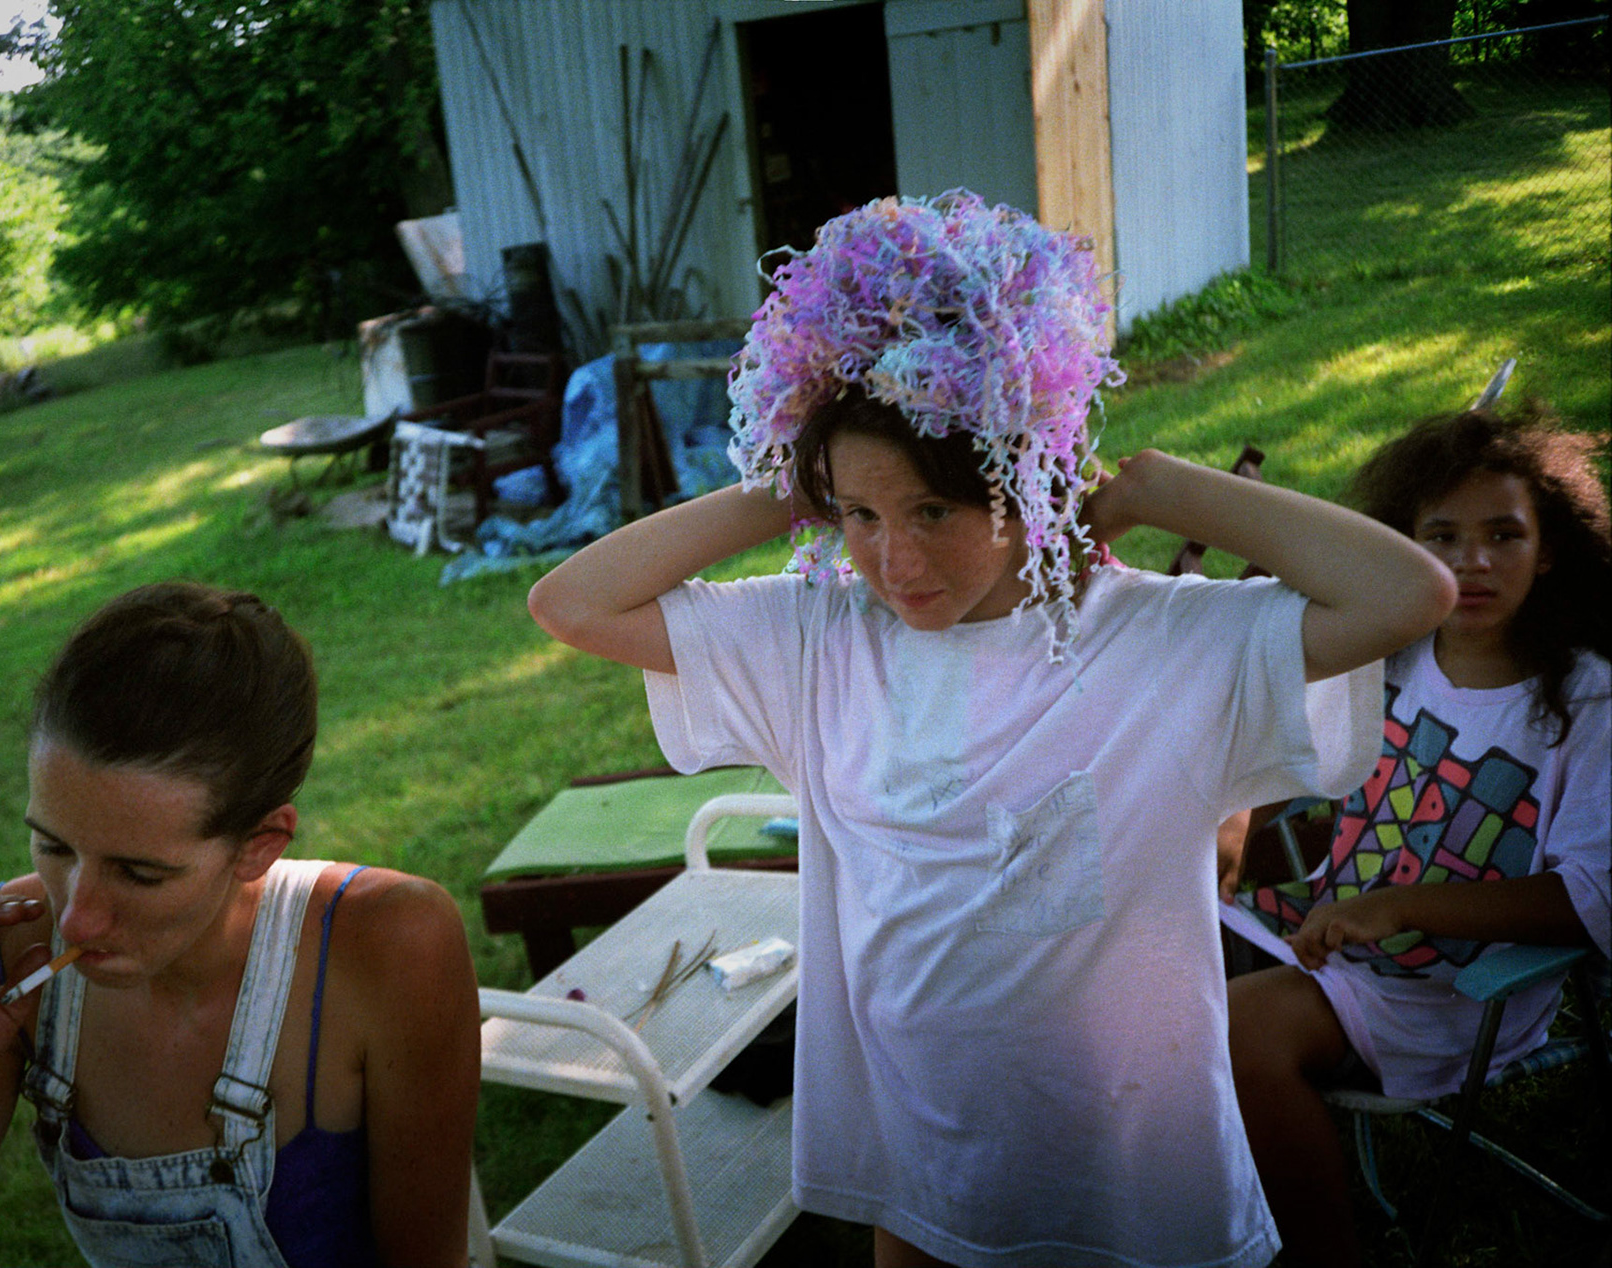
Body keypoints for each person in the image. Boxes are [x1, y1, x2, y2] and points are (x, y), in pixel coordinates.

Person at [526, 190, 1456, 1268]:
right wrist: (791, 478)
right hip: (920, 1162)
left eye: (934, 511)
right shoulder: (820, 639)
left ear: (1023, 480)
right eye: (861, 517)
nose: (896, 563)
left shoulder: (1158, 642)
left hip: (1133, 1161)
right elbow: (571, 604)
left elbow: (1408, 593)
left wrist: (1157, 487)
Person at [0, 582, 481, 1268]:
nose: (75, 915)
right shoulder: (16, 948)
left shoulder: (388, 945)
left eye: (139, 874)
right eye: (54, 846)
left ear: (259, 844)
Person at [1223, 406, 1610, 1267]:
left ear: (1548, 550)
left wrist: (1401, 904)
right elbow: (1270, 745)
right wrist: (1230, 817)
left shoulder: (1587, 702)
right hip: (1312, 938)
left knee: (1233, 1033)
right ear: (1401, 549)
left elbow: (1592, 899)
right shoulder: (1386, 653)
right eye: (1440, 536)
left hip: (1452, 996)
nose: (1471, 562)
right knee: (1122, 971)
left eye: (1503, 534)